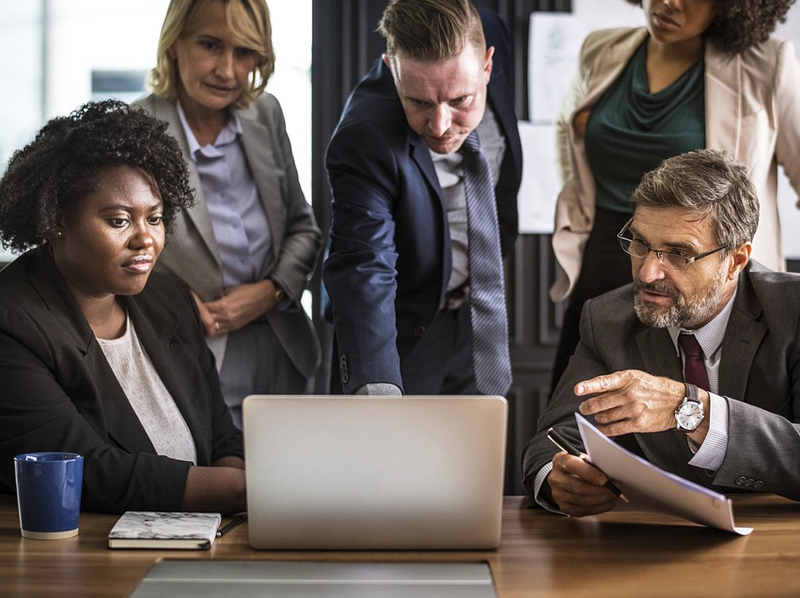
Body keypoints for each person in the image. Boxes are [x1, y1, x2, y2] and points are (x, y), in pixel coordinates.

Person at [522, 149, 800, 516]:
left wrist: (693, 410)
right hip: (659, 542)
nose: (647, 273)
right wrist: (558, 479)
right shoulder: (606, 318)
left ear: (735, 261)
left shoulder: (792, 310)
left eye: (679, 253)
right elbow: (555, 438)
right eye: (640, 244)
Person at [0, 100, 245, 515]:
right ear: (57, 218)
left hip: (204, 542)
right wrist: (242, 492)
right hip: (81, 557)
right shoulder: (13, 324)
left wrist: (236, 505)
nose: (145, 239)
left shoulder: (169, 300)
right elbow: (86, 472)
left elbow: (221, 438)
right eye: (119, 221)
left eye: (155, 218)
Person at [548, 0, 800, 393]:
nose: (669, 2)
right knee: (582, 414)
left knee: (706, 420)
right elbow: (571, 143)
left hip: (703, 271)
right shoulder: (600, 49)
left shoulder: (767, 64)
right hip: (607, 256)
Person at [135, 0, 322, 425]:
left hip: (285, 349)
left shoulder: (266, 112)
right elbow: (116, 256)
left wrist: (270, 290)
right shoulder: (138, 127)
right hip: (192, 352)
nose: (228, 70)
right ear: (175, 43)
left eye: (244, 52)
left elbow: (303, 228)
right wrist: (180, 302)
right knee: (225, 487)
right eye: (210, 45)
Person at [323, 0, 522, 396]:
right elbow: (365, 266)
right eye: (419, 102)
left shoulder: (490, 30)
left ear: (487, 64)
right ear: (392, 67)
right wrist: (376, 385)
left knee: (474, 454)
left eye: (461, 100)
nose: (440, 125)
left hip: (478, 316)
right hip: (401, 332)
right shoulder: (364, 137)